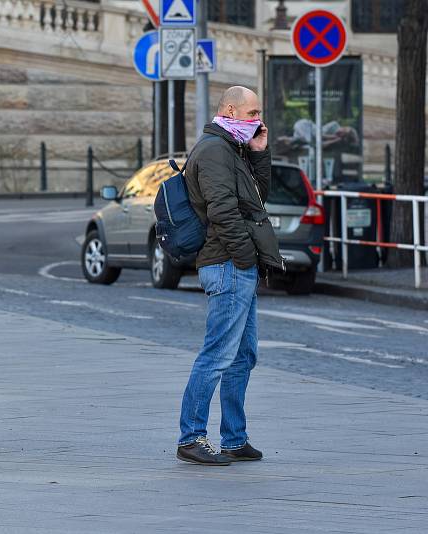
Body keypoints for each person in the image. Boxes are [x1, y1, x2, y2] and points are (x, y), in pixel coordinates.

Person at [176, 86, 283, 465]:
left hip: (236, 264)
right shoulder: (214, 151)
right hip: (227, 264)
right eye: (252, 113)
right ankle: (191, 436)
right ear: (230, 110)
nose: (258, 120)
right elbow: (223, 211)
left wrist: (259, 153)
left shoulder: (233, 149)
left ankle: (234, 438)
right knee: (218, 354)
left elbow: (257, 200)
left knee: (242, 356)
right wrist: (243, 258)